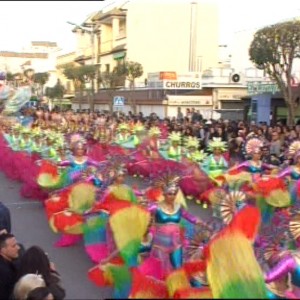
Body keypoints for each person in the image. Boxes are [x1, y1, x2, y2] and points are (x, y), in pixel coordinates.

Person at [0, 233, 20, 299]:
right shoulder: (4, 273)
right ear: (3, 250)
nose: (18, 248)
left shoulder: (9, 263)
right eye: (13, 246)